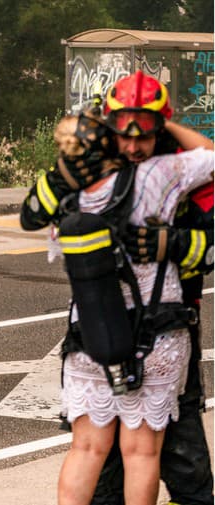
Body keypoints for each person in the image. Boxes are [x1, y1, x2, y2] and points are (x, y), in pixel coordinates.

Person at [20, 99, 213, 504]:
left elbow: (37, 222)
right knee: (142, 453)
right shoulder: (154, 177)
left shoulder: (68, 200)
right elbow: (209, 156)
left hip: (91, 337)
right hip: (156, 336)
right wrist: (166, 124)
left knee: (86, 450)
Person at [90, 72, 215, 505]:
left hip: (172, 328)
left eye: (144, 130)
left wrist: (175, 243)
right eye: (122, 132)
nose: (132, 145)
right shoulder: (95, 167)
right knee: (104, 463)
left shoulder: (188, 169)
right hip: (103, 329)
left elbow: (212, 240)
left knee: (185, 459)